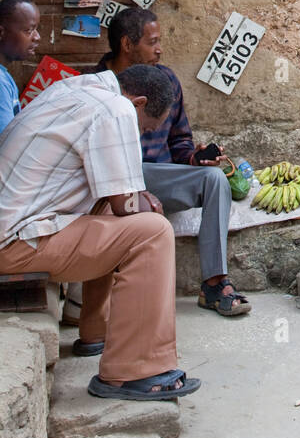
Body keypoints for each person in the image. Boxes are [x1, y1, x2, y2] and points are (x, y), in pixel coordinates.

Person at [0, 65, 200, 401]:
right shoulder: (116, 108)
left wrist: (133, 199)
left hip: (14, 228)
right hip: (14, 241)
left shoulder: (76, 88)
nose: (141, 134)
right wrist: (147, 203)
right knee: (151, 233)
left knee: (109, 213)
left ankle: (95, 332)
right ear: (138, 103)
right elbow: (127, 205)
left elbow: (115, 200)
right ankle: (132, 372)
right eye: (144, 128)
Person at [97, 7, 250, 318]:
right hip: (116, 183)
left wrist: (197, 157)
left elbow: (179, 141)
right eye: (152, 42)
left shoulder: (165, 80)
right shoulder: (98, 86)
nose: (160, 49)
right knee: (132, 170)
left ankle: (214, 284)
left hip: (160, 180)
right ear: (128, 44)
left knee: (215, 180)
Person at [0, 0, 40, 133]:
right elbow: (5, 145)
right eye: (28, 30)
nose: (37, 37)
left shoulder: (5, 77)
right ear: (1, 33)